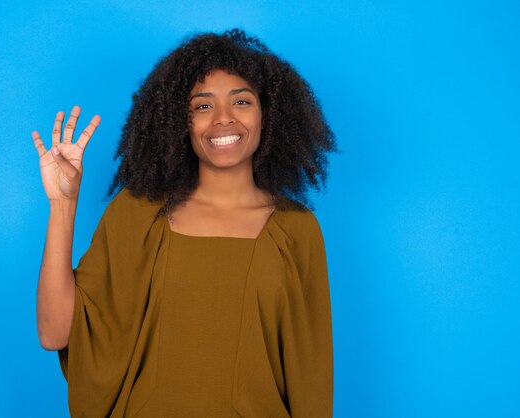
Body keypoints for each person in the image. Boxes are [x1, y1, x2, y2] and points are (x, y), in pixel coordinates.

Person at [33, 29, 336, 417]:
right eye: (202, 106)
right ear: (179, 123)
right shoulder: (137, 214)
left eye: (241, 101)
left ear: (268, 114)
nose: (224, 118)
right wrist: (63, 204)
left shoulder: (296, 229)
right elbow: (54, 333)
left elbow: (311, 375)